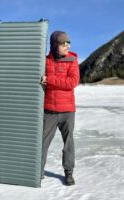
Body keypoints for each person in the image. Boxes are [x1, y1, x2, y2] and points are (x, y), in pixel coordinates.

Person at [41, 31, 79, 186]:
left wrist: (50, 80)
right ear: (55, 45)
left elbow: (72, 82)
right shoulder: (44, 61)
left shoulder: (72, 60)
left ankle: (68, 172)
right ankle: (38, 170)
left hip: (67, 110)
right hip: (49, 109)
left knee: (68, 143)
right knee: (42, 142)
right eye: (64, 43)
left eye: (68, 43)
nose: (67, 46)